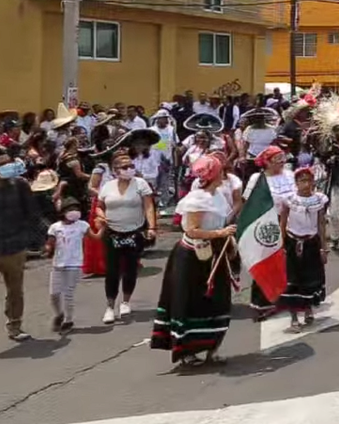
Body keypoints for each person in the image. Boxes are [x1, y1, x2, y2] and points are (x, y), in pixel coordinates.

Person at [151, 156, 236, 367]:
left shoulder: (218, 195)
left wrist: (227, 237)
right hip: (192, 257)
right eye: (221, 171)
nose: (224, 175)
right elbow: (192, 230)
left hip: (215, 253)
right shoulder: (197, 198)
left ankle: (212, 349)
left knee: (218, 300)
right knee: (191, 302)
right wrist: (220, 232)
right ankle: (187, 351)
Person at [96, 152, 156, 324]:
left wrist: (151, 227)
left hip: (134, 232)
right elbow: (100, 206)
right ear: (115, 171)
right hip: (112, 232)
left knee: (130, 268)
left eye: (131, 166)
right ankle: (109, 306)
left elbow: (148, 206)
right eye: (124, 167)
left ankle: (126, 301)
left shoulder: (140, 184)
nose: (129, 169)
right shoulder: (108, 186)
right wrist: (100, 215)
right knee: (112, 271)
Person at [243, 145, 297, 320]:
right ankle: (263, 303)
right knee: (267, 264)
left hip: (292, 224)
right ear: (266, 162)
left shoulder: (290, 175)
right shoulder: (257, 179)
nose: (282, 162)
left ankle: (286, 298)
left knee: (289, 264)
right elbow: (248, 203)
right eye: (277, 159)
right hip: (267, 227)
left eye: (283, 158)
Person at [279, 167, 328, 332]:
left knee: (311, 278)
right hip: (292, 243)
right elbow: (283, 222)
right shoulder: (289, 199)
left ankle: (308, 309)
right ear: (296, 183)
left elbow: (321, 224)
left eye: (309, 180)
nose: (306, 184)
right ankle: (293, 317)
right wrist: (281, 246)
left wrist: (324, 248)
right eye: (302, 181)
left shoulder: (319, 200)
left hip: (311, 243)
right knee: (292, 280)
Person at [46, 197, 102, 333]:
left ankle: (68, 320)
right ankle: (59, 314)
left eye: (77, 209)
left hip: (74, 264)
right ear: (63, 212)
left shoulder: (82, 225)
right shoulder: (55, 227)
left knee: (68, 294)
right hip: (58, 264)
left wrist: (102, 228)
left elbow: (95, 237)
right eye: (71, 209)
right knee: (54, 294)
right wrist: (48, 249)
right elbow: (50, 243)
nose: (75, 212)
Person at [0, 152, 34, 341]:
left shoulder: (19, 184)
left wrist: (24, 236)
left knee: (15, 289)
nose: (6, 167)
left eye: (7, 163)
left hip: (14, 246)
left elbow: (30, 211)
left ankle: (15, 325)